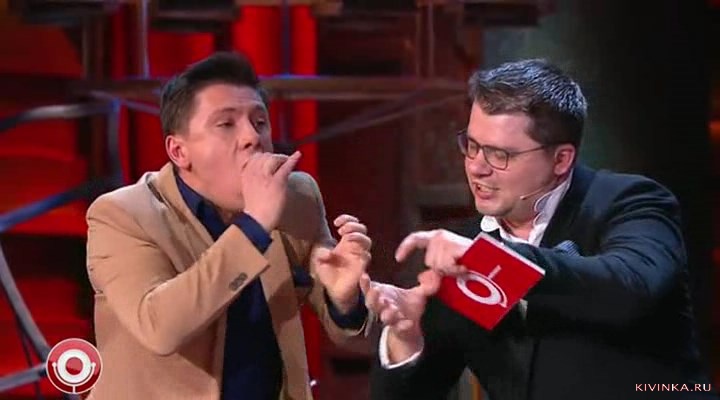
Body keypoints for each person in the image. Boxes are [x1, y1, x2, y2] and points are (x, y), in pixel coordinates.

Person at [363, 59, 716, 400]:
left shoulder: (629, 202)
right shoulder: (467, 248)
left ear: (561, 159)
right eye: (472, 145)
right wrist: (406, 339)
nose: (476, 167)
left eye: (499, 154)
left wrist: (499, 262)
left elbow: (631, 288)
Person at [84, 52, 372, 400]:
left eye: (260, 122)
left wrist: (344, 300)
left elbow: (351, 333)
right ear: (179, 151)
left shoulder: (297, 197)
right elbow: (159, 329)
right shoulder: (122, 215)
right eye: (226, 124)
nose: (252, 137)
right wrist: (254, 227)